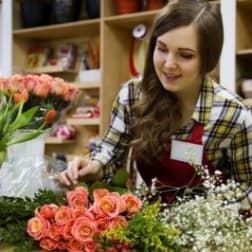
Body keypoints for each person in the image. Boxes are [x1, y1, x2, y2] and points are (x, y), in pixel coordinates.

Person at [59, 0, 252, 209]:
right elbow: (111, 154)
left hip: (208, 233)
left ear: (209, 59)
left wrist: (203, 213)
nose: (169, 64)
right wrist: (93, 165)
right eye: (162, 49)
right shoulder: (133, 96)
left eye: (185, 55)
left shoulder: (233, 115)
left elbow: (247, 186)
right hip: (147, 223)